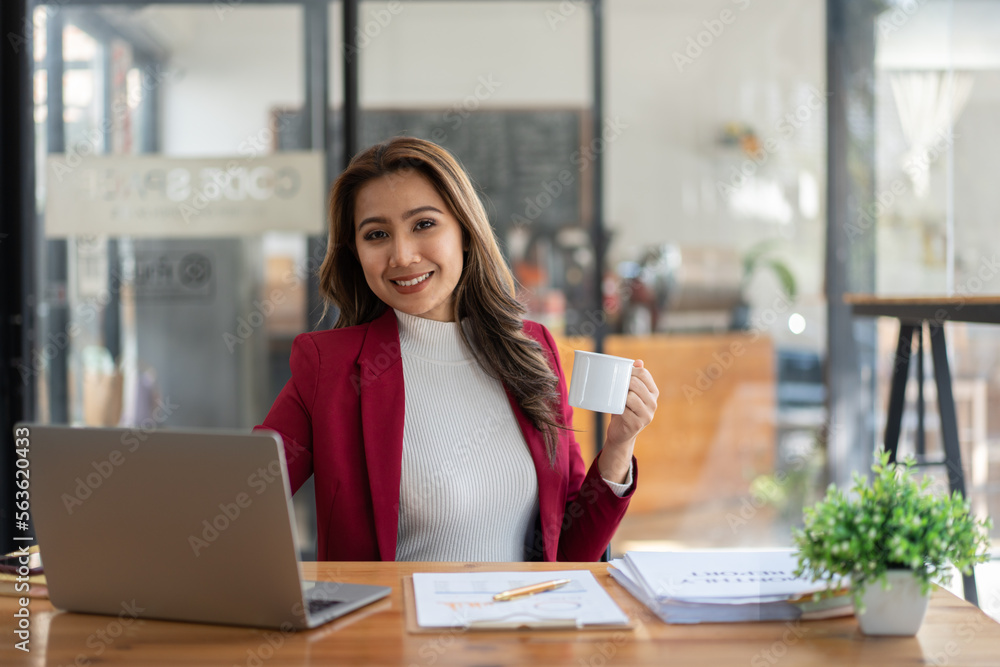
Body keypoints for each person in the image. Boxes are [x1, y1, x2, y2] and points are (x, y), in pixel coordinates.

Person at [256, 137, 658, 562]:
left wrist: (618, 446)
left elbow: (572, 553)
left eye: (424, 225)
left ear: (465, 231)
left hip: (522, 622)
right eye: (377, 235)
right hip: (394, 627)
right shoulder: (330, 366)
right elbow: (244, 497)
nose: (403, 255)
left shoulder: (532, 350)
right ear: (356, 254)